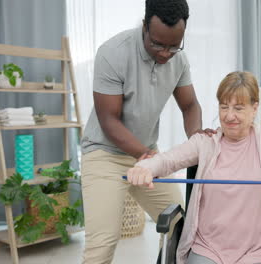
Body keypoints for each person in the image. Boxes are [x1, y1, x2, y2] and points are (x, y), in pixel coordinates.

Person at [126, 71, 261, 264]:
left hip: (259, 251)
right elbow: (167, 160)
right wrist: (144, 168)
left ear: (254, 108)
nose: (229, 116)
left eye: (238, 108)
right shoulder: (204, 142)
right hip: (208, 248)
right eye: (224, 107)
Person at [80, 0, 215, 263]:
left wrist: (197, 137)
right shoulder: (112, 53)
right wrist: (146, 156)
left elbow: (189, 105)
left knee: (183, 226)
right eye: (157, 44)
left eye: (174, 46)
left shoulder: (179, 60)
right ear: (144, 26)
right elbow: (109, 120)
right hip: (104, 155)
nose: (165, 53)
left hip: (146, 156)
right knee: (102, 245)